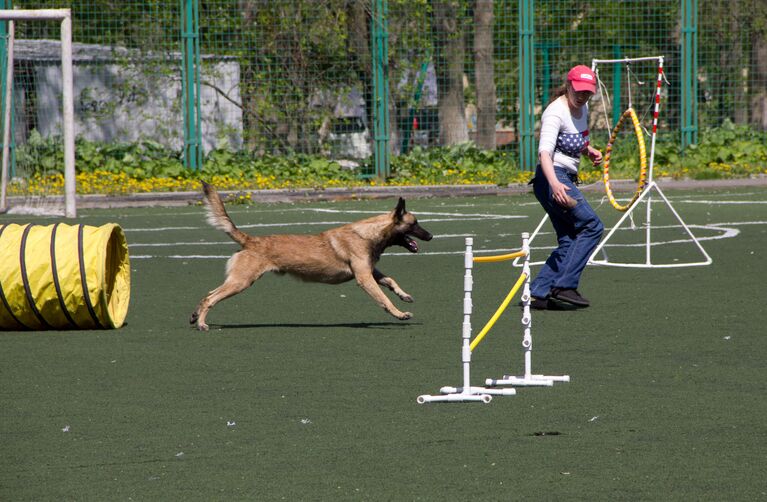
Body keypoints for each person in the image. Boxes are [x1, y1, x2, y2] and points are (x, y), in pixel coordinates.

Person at [529, 64, 604, 309]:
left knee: (570, 239)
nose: (583, 96)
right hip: (552, 178)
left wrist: (587, 149)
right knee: (592, 225)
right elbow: (544, 153)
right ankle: (565, 286)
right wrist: (556, 185)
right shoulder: (555, 112)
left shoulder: (581, 110)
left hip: (562, 178)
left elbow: (573, 138)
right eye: (579, 90)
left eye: (587, 92)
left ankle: (539, 293)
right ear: (569, 85)